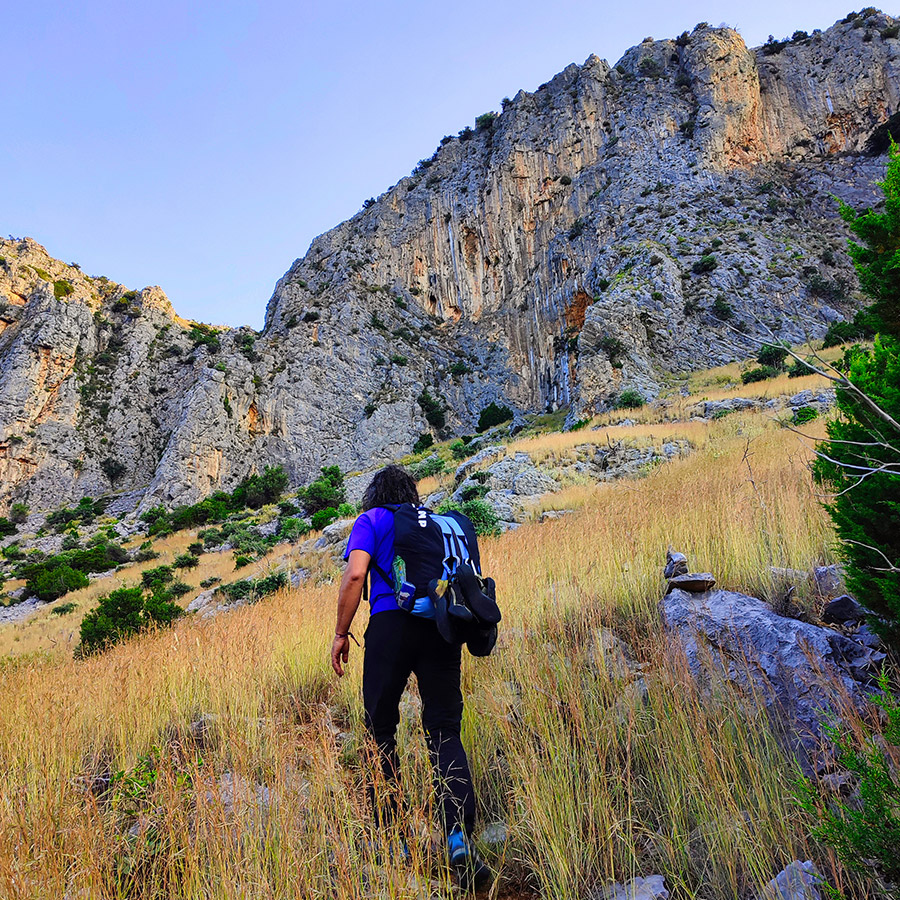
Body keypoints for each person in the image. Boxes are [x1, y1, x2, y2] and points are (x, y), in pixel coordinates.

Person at [330, 464, 491, 889]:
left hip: (389, 628)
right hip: (439, 628)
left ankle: (394, 841)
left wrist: (341, 633)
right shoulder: (433, 525)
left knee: (379, 731)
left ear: (373, 494)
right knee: (443, 730)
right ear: (411, 494)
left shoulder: (371, 520)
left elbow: (355, 575)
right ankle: (458, 838)